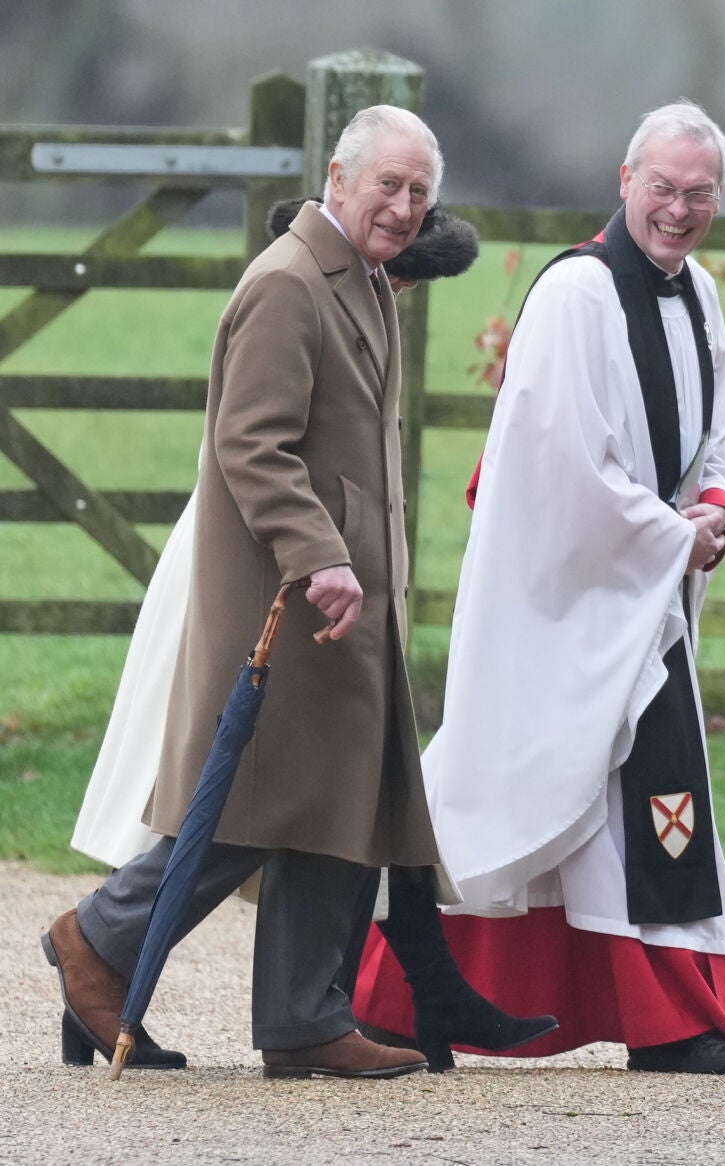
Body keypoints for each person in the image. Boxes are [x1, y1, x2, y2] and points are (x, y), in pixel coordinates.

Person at [44, 108, 554, 1080]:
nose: (403, 208)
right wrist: (317, 552)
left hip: (343, 599)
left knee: (337, 801)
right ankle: (96, 939)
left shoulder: (358, 279)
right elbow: (251, 443)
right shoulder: (286, 283)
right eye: (386, 186)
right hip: (291, 597)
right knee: (248, 807)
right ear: (336, 174)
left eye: (417, 193)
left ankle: (301, 1015)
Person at [353, 100, 725, 1076]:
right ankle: (389, 990)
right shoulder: (573, 297)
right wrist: (677, 534)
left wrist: (714, 504)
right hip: (564, 590)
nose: (676, 210)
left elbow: (720, 425)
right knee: (520, 774)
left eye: (697, 194)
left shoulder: (696, 291)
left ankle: (672, 1020)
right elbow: (561, 466)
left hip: (643, 585)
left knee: (641, 790)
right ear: (623, 182)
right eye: (660, 188)